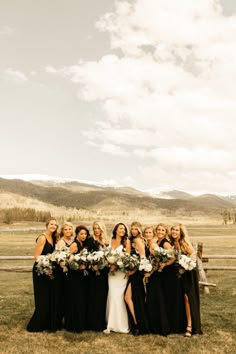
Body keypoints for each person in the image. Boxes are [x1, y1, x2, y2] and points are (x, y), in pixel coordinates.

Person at [27, 218, 62, 332]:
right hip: (40, 270)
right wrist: (46, 268)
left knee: (49, 297)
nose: (53, 226)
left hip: (50, 271)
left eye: (55, 225)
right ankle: (38, 323)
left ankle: (49, 323)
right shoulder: (42, 238)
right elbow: (37, 257)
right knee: (42, 298)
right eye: (51, 224)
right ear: (47, 225)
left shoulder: (54, 237)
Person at [169, 223, 202, 336]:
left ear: (181, 232)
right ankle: (181, 325)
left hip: (188, 273)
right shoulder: (172, 243)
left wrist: (186, 266)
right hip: (178, 275)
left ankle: (190, 326)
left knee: (188, 298)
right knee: (180, 299)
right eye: (173, 229)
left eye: (176, 230)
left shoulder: (184, 242)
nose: (174, 232)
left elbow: (193, 255)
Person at [104, 223, 131, 334]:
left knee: (118, 297)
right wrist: (109, 264)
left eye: (124, 229)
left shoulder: (126, 242)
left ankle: (121, 325)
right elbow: (106, 255)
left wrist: (118, 265)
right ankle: (110, 323)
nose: (123, 230)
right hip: (111, 274)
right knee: (111, 295)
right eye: (120, 228)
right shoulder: (110, 241)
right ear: (115, 230)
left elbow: (127, 259)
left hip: (121, 274)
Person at [124, 221, 149, 335]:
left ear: (139, 230)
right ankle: (137, 324)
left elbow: (143, 258)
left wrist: (133, 270)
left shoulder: (138, 240)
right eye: (132, 229)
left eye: (136, 229)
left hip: (137, 273)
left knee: (131, 298)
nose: (133, 231)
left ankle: (138, 325)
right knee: (131, 298)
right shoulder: (131, 240)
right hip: (133, 272)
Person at [145, 224, 171, 335]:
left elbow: (172, 256)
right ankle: (154, 325)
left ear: (165, 232)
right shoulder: (156, 242)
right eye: (159, 230)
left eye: (162, 230)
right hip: (154, 274)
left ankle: (162, 327)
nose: (160, 232)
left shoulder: (162, 243)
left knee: (159, 299)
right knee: (153, 299)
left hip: (158, 275)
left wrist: (163, 264)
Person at [64, 225, 90, 332]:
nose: (84, 236)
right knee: (75, 299)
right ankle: (73, 324)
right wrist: (78, 266)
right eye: (81, 234)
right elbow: (68, 259)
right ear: (77, 234)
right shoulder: (74, 244)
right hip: (74, 276)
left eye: (85, 234)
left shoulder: (82, 244)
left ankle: (80, 322)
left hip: (80, 276)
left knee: (80, 299)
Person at [87, 221, 108, 331]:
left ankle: (101, 320)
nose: (96, 230)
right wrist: (92, 265)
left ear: (102, 229)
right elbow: (87, 255)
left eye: (98, 228)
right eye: (94, 228)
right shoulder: (90, 240)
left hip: (104, 272)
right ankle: (93, 322)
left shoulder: (105, 241)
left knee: (102, 296)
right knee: (94, 296)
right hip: (94, 273)